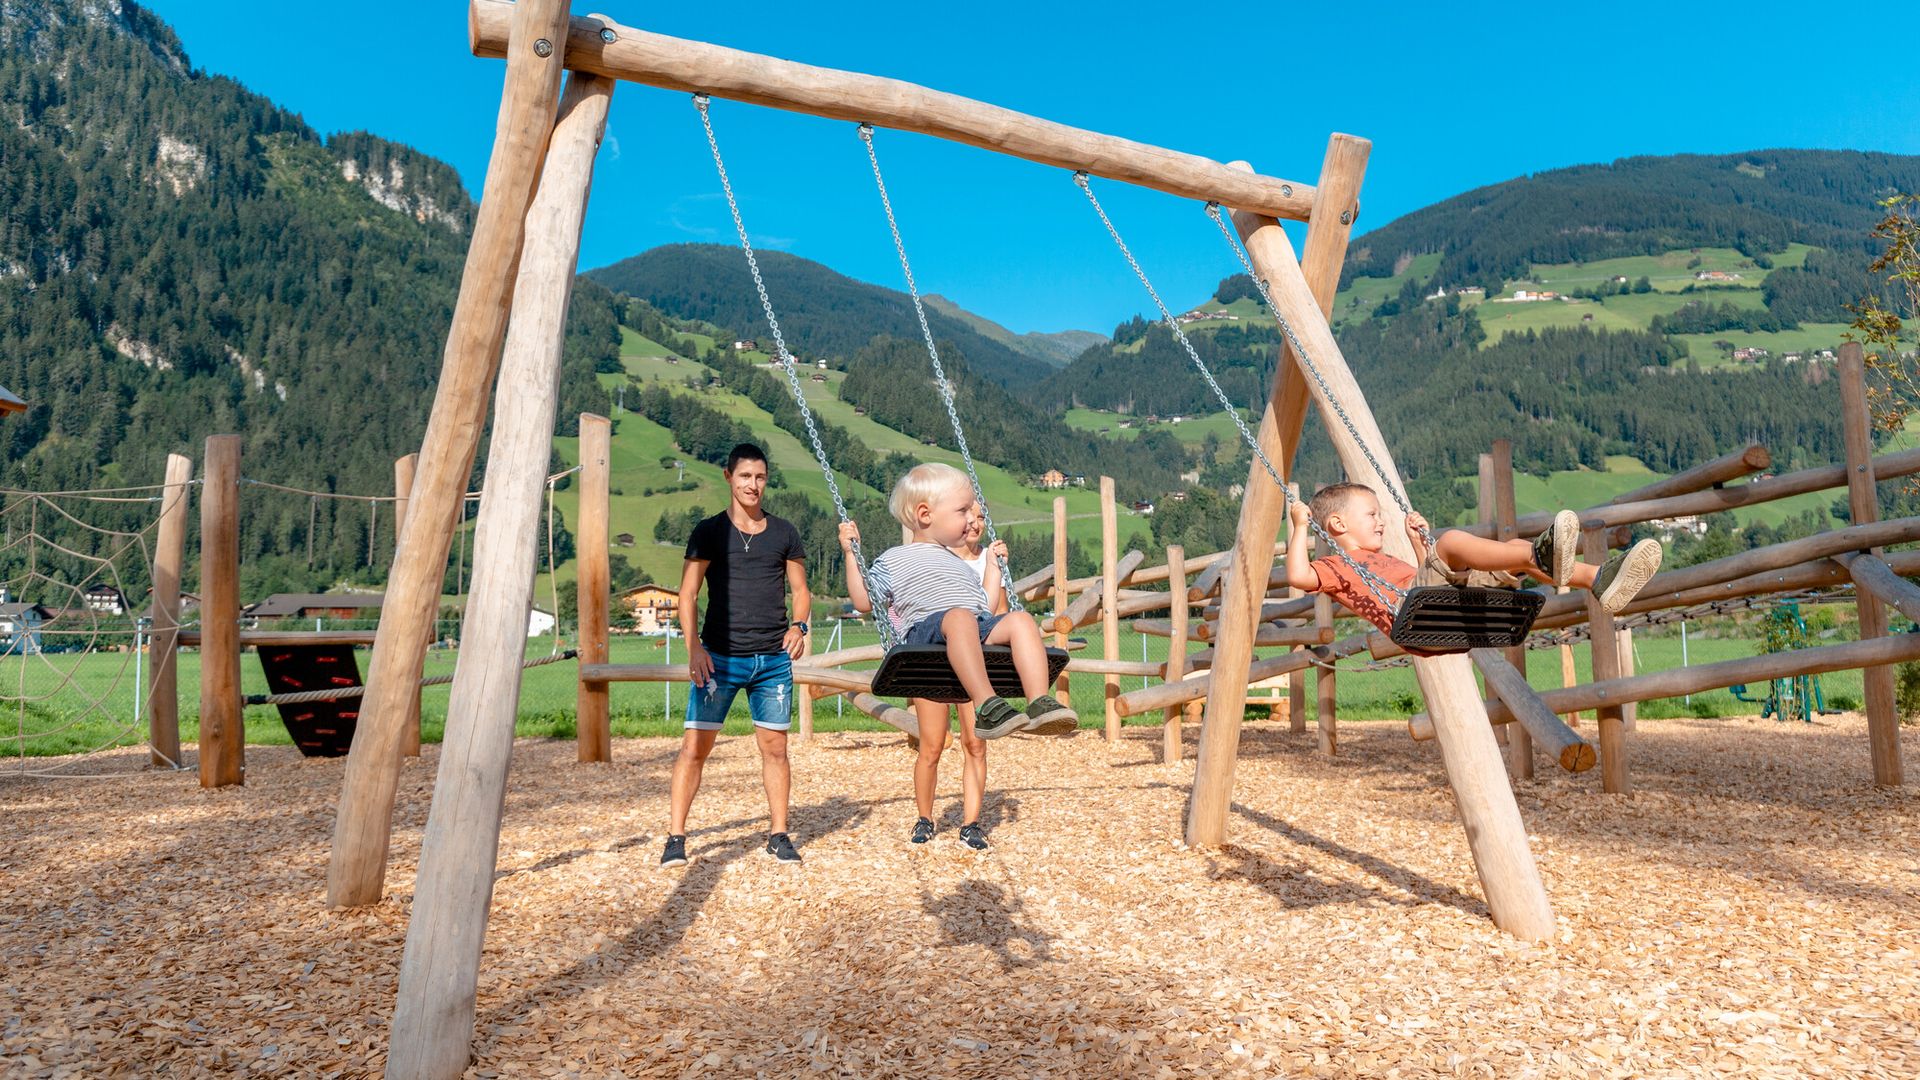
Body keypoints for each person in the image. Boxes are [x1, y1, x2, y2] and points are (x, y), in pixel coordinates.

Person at [839, 463, 1075, 765]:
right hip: (925, 633)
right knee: (960, 617)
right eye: (962, 511)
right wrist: (850, 553)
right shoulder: (894, 558)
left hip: (967, 625)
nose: (971, 519)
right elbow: (863, 600)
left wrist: (991, 567)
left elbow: (985, 612)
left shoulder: (959, 564)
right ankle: (987, 705)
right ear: (925, 515)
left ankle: (1039, 702)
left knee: (1021, 620)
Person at [661, 444, 810, 869]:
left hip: (771, 662)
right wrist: (693, 647)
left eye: (760, 477)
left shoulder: (784, 532)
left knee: (776, 750)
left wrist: (799, 626)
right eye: (745, 476)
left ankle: (779, 834)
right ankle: (676, 837)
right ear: (729, 477)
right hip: (718, 659)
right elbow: (687, 594)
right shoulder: (709, 531)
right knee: (694, 748)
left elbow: (801, 591)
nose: (753, 485)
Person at [1284, 483, 1662, 640]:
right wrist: (1299, 527)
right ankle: (1538, 551)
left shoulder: (1382, 560)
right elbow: (1299, 576)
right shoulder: (1336, 567)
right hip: (1412, 617)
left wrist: (1419, 544)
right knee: (1450, 542)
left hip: (1436, 602)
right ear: (1337, 524)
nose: (1381, 520)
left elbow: (1425, 578)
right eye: (1371, 515)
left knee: (1508, 555)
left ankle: (1598, 579)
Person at [899, 500, 1006, 850]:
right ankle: (925, 818)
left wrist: (997, 569)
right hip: (934, 658)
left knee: (975, 743)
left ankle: (971, 823)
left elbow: (997, 614)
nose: (973, 523)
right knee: (931, 744)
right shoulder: (933, 555)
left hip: (974, 662)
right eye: (966, 515)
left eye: (978, 517)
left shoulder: (990, 562)